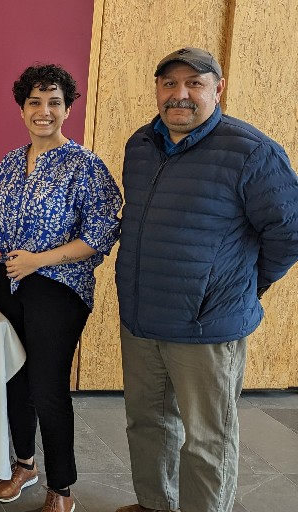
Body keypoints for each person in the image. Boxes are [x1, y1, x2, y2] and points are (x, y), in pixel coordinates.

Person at [115, 47, 298, 512]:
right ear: (158, 90)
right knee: (147, 423)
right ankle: (155, 504)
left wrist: (241, 286)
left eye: (194, 83)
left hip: (207, 329)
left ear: (218, 90)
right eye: (169, 84)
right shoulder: (140, 145)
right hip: (142, 318)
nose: (180, 95)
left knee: (206, 439)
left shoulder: (251, 151)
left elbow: (290, 231)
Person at [0, 64, 122, 512]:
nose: (44, 111)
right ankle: (24, 464)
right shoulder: (8, 161)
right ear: (22, 108)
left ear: (67, 107)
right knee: (14, 379)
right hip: (9, 282)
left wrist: (38, 260)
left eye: (54, 102)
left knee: (47, 386)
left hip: (58, 287)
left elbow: (100, 234)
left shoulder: (86, 166)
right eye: (35, 102)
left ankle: (61, 488)